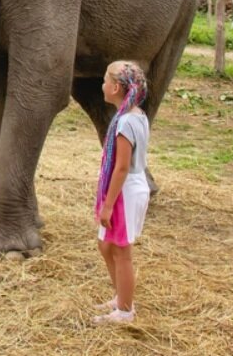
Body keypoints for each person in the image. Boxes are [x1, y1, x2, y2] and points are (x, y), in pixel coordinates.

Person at [92, 61, 151, 326]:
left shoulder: (125, 122)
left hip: (124, 192)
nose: (102, 85)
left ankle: (126, 311)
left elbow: (122, 167)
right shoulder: (135, 115)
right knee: (105, 245)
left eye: (105, 81)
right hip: (123, 189)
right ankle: (120, 297)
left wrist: (107, 205)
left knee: (121, 251)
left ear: (115, 88)